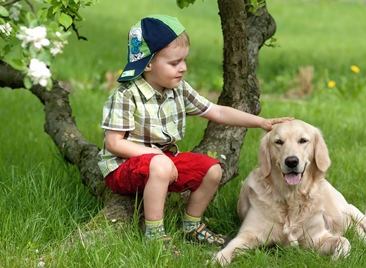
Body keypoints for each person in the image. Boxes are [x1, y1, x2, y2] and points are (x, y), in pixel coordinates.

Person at [98, 14, 292, 256]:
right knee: (159, 163)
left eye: (184, 60)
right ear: (147, 64)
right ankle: (155, 234)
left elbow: (217, 111)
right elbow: (114, 143)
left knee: (212, 169)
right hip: (124, 168)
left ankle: (191, 225)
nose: (184, 68)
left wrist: (260, 122)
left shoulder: (178, 90)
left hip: (161, 163)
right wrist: (156, 157)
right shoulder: (127, 95)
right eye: (174, 63)